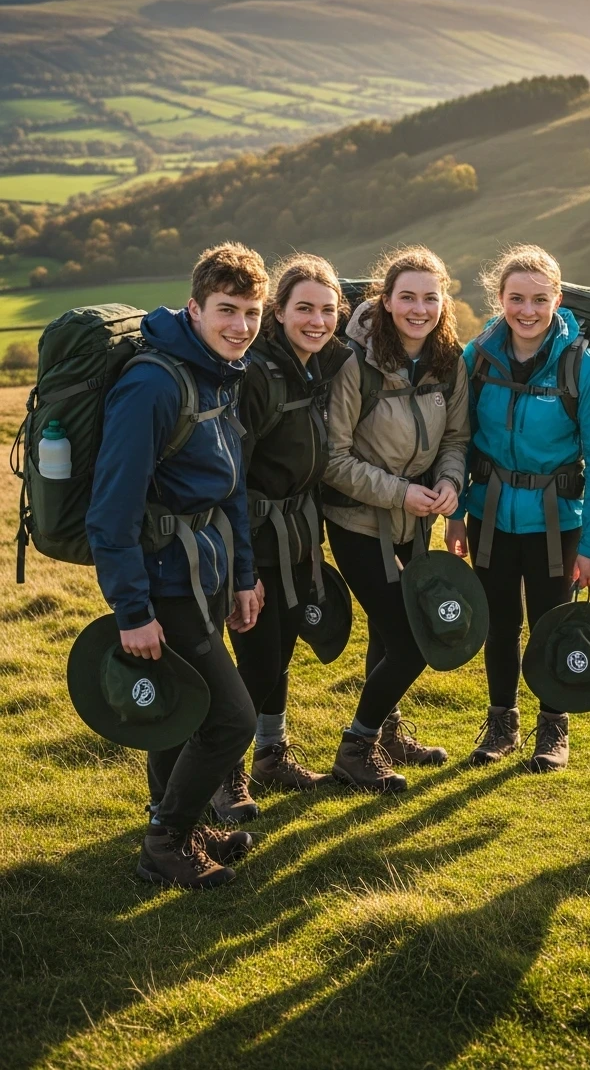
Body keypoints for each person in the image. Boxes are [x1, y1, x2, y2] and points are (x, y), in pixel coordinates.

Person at [86, 242, 269, 889]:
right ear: (194, 308)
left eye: (251, 312)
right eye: (227, 310)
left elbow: (232, 487)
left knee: (177, 710)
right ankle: (166, 844)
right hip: (165, 584)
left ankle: (179, 827)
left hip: (208, 578)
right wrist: (131, 611)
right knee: (232, 718)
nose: (240, 326)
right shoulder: (154, 385)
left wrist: (244, 574)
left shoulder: (219, 372)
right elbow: (112, 512)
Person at [446, 244, 590, 772]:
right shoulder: (477, 358)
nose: (527, 310)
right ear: (499, 300)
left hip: (556, 522)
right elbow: (460, 439)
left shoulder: (583, 369)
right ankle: (502, 723)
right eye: (516, 298)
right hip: (490, 515)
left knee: (552, 624)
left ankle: (553, 728)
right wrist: (455, 515)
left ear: (557, 299)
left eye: (539, 299)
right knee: (498, 623)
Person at [322, 246, 469, 792]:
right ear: (385, 301)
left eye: (430, 297)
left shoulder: (448, 361)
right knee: (412, 641)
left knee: (388, 636)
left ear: (443, 302)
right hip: (359, 524)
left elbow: (455, 439)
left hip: (417, 523)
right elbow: (333, 460)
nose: (419, 308)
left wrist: (450, 483)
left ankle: (388, 733)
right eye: (406, 296)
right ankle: (356, 748)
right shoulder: (353, 364)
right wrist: (401, 493)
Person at [219, 253, 352, 816]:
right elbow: (232, 478)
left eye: (327, 310)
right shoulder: (256, 372)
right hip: (254, 537)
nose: (317, 321)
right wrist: (241, 571)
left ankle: (271, 754)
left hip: (298, 536)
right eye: (304, 309)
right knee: (258, 661)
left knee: (282, 653)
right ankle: (226, 774)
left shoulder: (314, 365)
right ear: (279, 311)